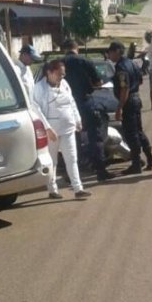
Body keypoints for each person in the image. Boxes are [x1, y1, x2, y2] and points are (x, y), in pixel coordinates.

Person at [33, 60, 91, 199]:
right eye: (59, 74)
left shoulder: (64, 84)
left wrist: (77, 119)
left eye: (63, 74)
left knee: (72, 159)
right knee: (52, 161)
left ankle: (78, 188)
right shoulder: (39, 88)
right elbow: (37, 110)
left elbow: (71, 102)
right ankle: (52, 190)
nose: (61, 77)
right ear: (49, 72)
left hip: (68, 128)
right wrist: (47, 128)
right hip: (52, 131)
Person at [62, 39, 114, 182]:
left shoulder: (59, 64)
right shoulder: (85, 62)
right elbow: (97, 82)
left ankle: (71, 174)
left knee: (71, 141)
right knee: (94, 137)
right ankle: (100, 171)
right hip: (85, 103)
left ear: (64, 49)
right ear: (76, 48)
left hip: (66, 107)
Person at [108, 41, 152, 175]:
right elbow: (140, 80)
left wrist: (119, 107)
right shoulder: (132, 63)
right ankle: (150, 158)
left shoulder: (121, 67)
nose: (109, 55)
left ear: (117, 51)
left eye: (110, 52)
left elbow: (124, 88)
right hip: (136, 99)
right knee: (139, 131)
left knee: (131, 134)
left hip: (128, 101)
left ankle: (136, 164)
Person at [14, 44, 56, 142]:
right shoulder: (16, 69)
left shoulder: (27, 69)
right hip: (24, 110)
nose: (33, 61)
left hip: (34, 106)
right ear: (24, 55)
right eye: (31, 58)